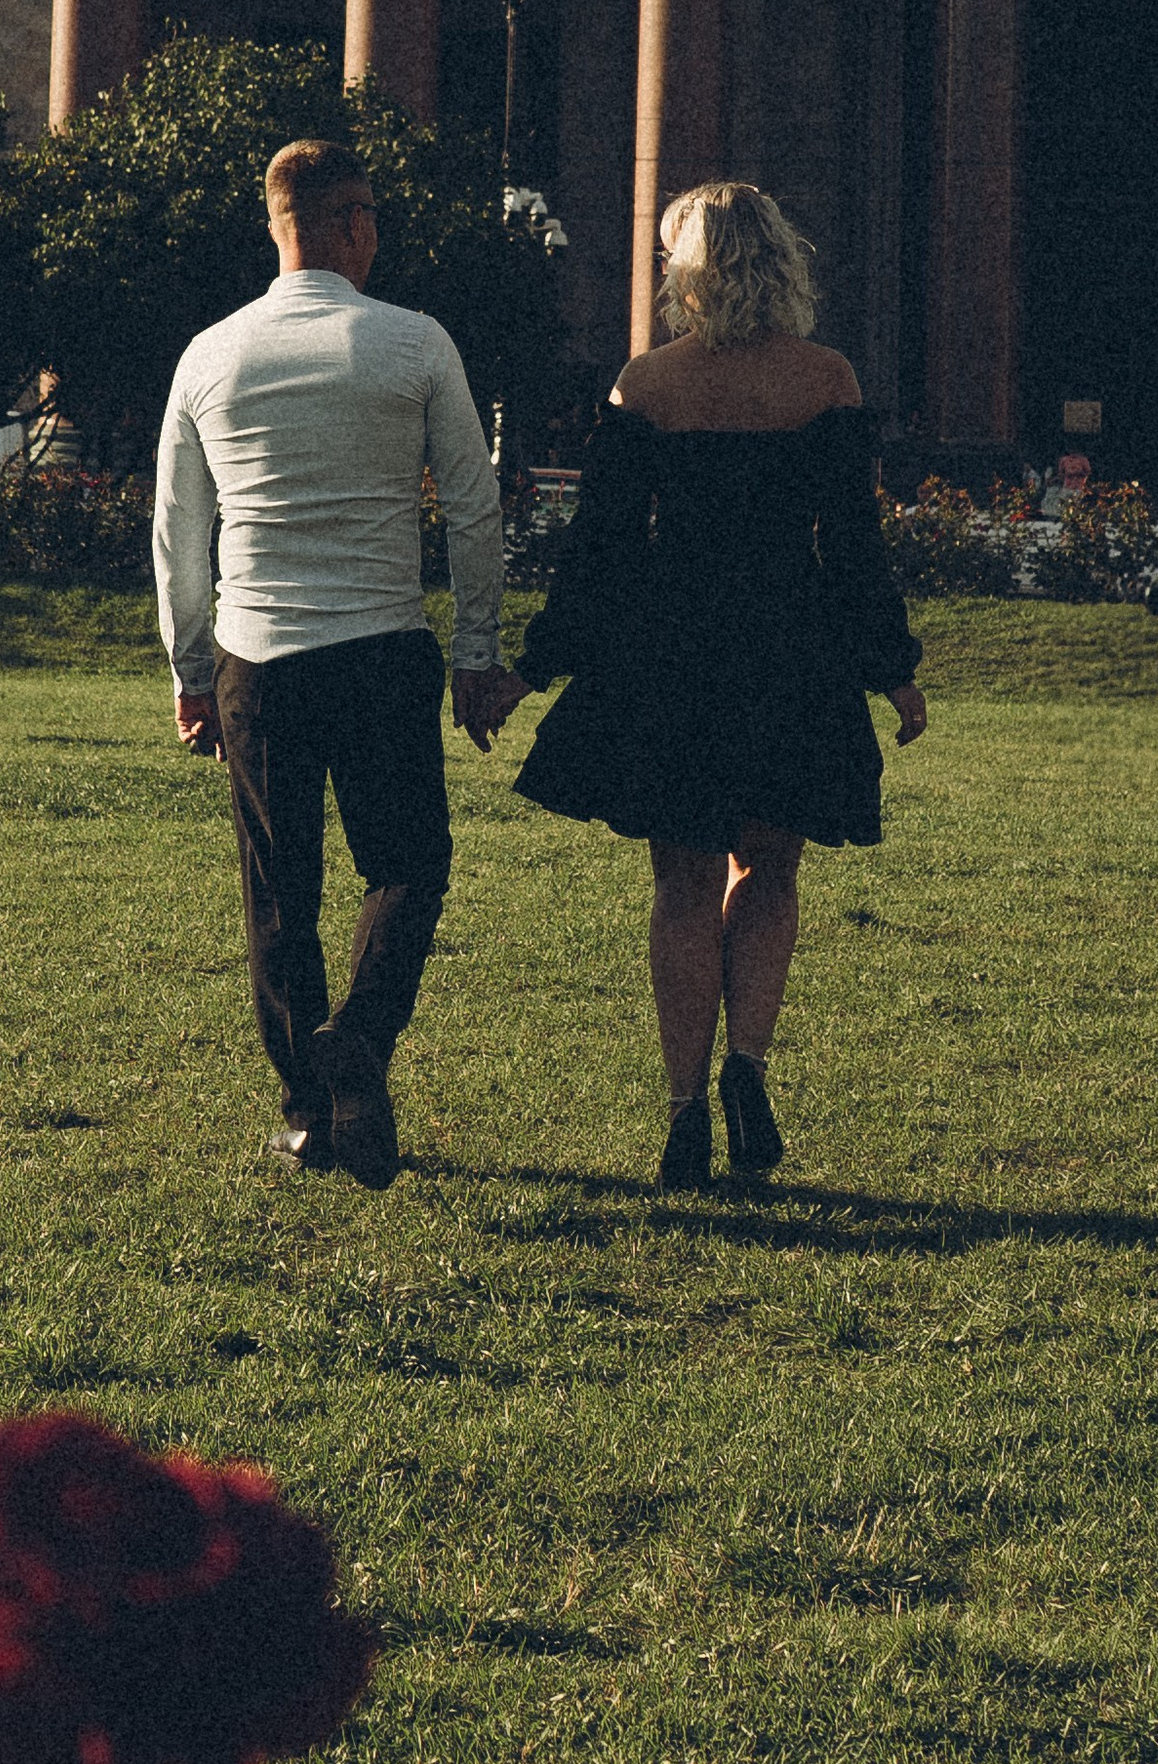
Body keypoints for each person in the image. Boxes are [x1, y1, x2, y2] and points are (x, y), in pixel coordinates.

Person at [503, 179, 927, 1189]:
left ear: (684, 271)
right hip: (793, 650)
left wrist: (533, 665)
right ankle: (748, 1065)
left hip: (673, 654)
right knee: (769, 874)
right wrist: (893, 673)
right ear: (779, 261)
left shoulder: (647, 385)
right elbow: (854, 550)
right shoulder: (826, 380)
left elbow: (600, 553)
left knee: (682, 884)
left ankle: (685, 1110)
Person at [154, 137, 520, 1189]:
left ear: (276, 226)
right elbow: (474, 507)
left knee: (281, 891)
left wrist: (189, 672)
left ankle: (309, 1112)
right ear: (354, 223)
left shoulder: (211, 355)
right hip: (383, 652)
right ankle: (359, 1039)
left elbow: (180, 534)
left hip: (258, 659)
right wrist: (478, 649)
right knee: (407, 866)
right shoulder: (414, 343)